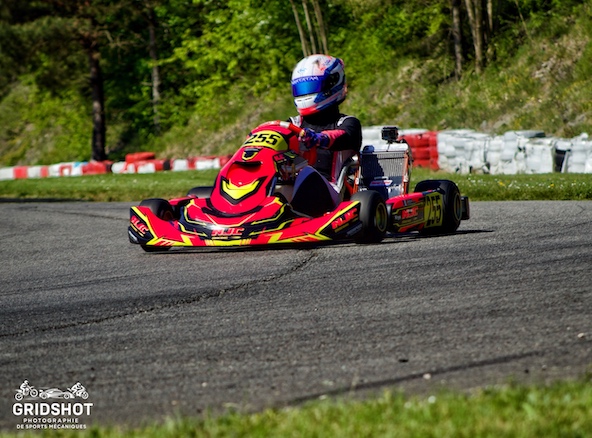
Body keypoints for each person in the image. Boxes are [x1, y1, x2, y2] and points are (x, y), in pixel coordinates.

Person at [287, 54, 362, 216]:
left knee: (306, 173)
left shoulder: (348, 123)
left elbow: (343, 136)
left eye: (311, 87)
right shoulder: (292, 124)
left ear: (332, 84)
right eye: (301, 88)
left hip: (331, 193)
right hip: (293, 189)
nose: (305, 94)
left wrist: (318, 138)